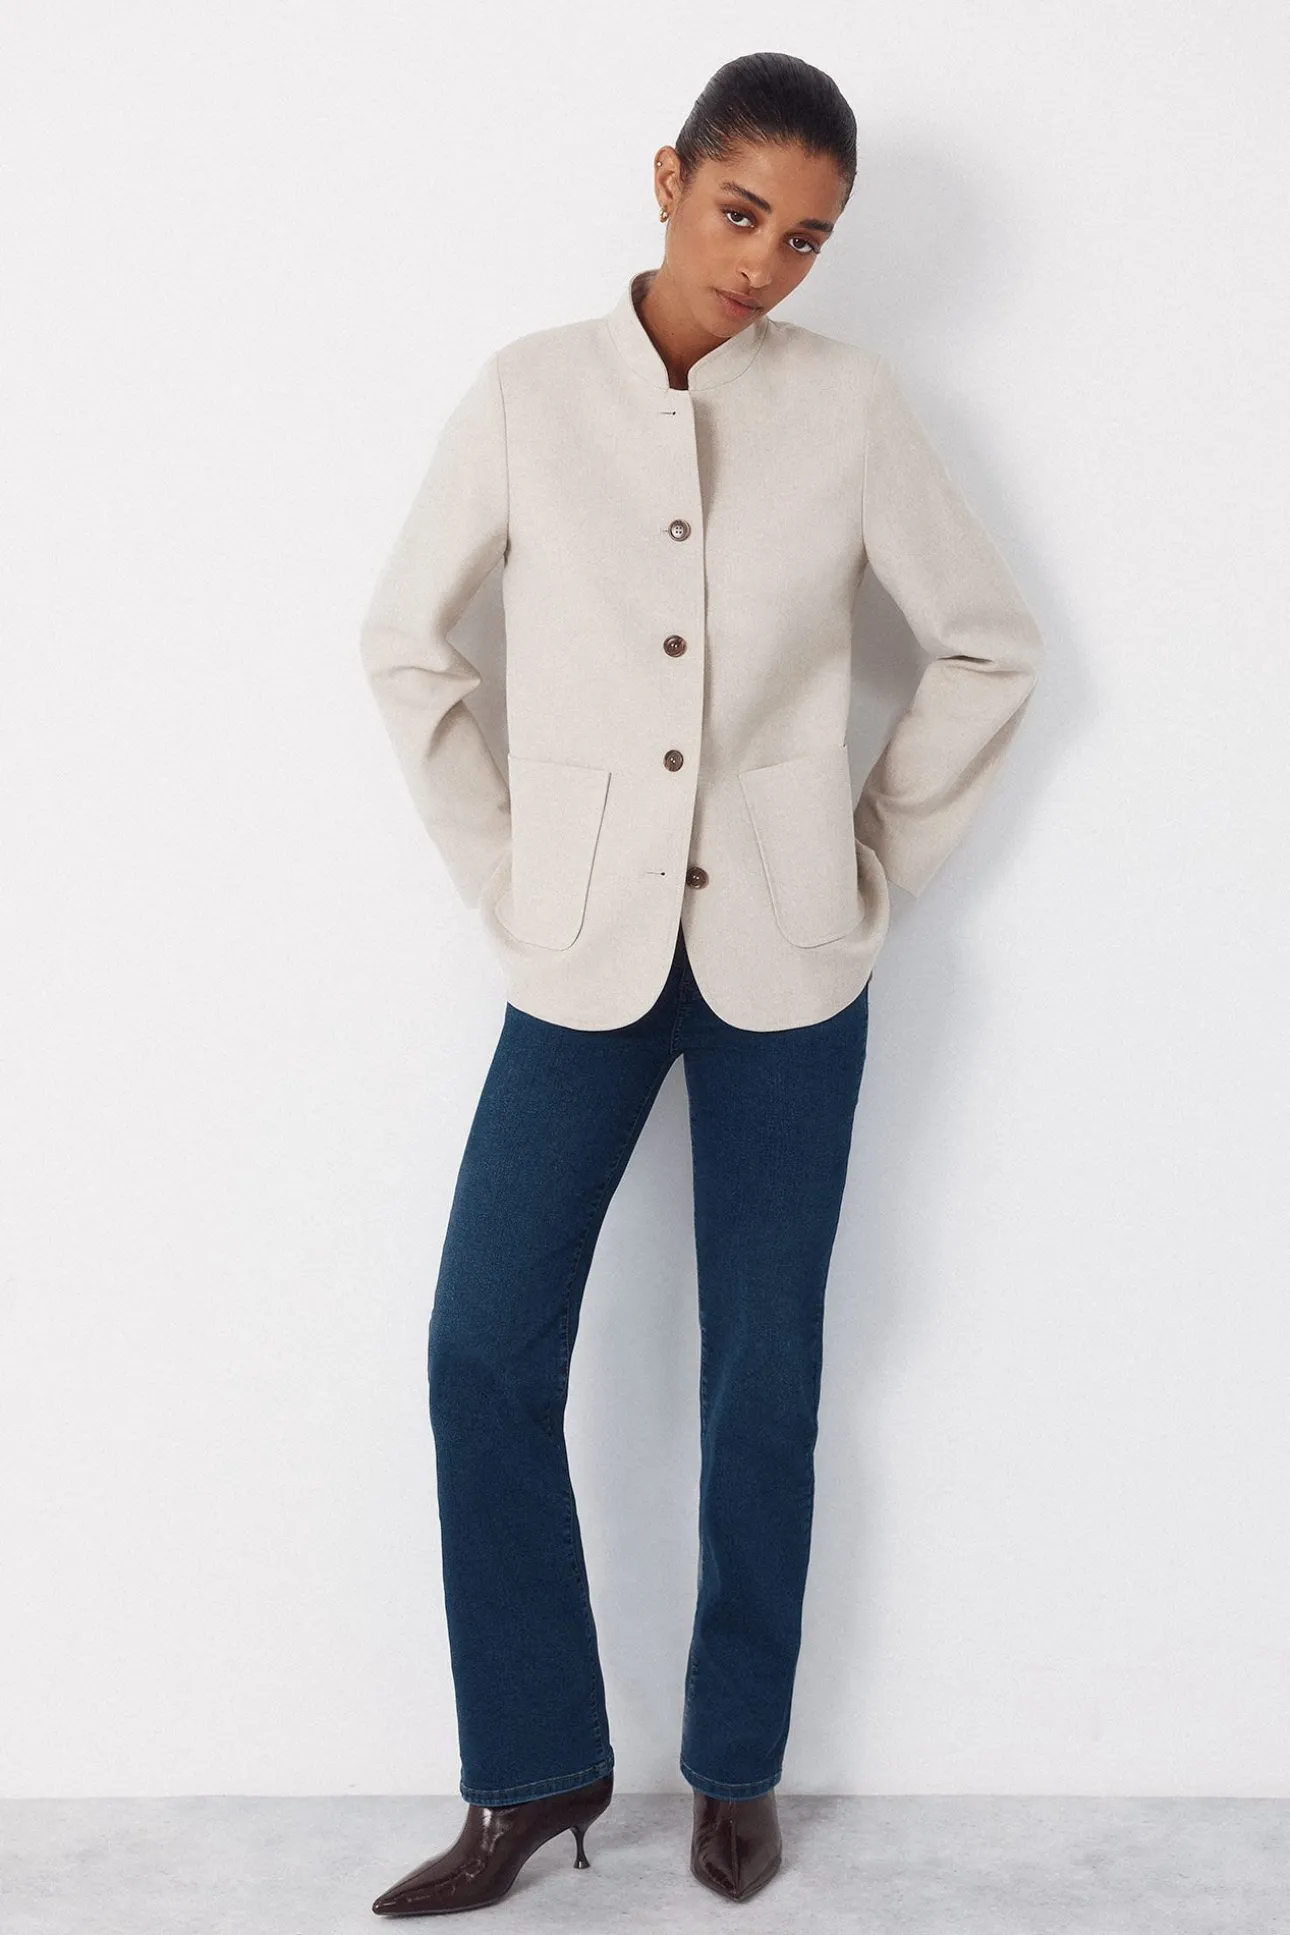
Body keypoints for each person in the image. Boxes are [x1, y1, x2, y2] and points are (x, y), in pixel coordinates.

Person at [360, 50, 1043, 1916]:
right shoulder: (529, 393)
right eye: (740, 213)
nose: (763, 262)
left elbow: (987, 646)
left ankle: (735, 1762)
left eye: (805, 238)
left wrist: (869, 852)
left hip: (788, 955)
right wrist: (511, 870)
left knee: (762, 1375)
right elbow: (407, 645)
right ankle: (534, 1769)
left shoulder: (852, 406)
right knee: (480, 1350)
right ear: (666, 180)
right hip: (578, 945)